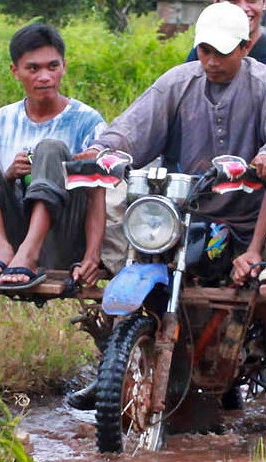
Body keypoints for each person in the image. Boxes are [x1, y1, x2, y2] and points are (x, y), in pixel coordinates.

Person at [77, 1, 266, 287]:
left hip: (251, 217)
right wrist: (102, 149)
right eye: (205, 51)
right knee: (122, 221)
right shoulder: (177, 82)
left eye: (223, 53)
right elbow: (133, 128)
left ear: (244, 48)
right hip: (185, 214)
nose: (212, 61)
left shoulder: (261, 84)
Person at [0, 23, 108, 291]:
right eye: (33, 69)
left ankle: (29, 255)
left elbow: (97, 194)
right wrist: (10, 174)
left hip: (65, 236)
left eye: (52, 66)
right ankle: (4, 250)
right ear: (16, 72)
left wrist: (93, 255)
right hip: (17, 234)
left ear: (64, 66)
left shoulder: (87, 121)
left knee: (51, 149)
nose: (45, 77)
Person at [186, 0, 266, 64]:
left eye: (251, 0)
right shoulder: (203, 49)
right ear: (216, 2)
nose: (243, 8)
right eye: (233, 1)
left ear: (264, 3)